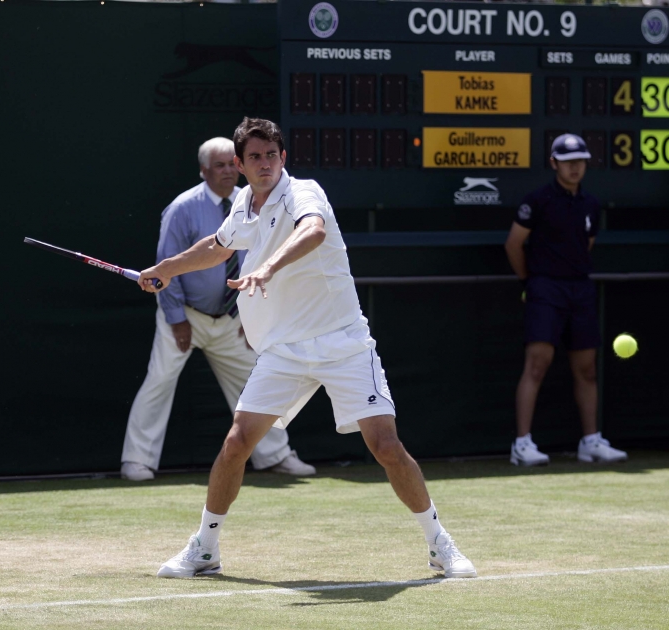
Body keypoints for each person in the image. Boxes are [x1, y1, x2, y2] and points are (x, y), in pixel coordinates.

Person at [137, 117, 476, 579]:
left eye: (271, 155)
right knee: (236, 443)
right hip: (284, 351)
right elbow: (218, 247)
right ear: (238, 164)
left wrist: (269, 267)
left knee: (386, 446)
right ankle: (205, 549)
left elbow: (313, 231)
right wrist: (168, 268)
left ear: (283, 158)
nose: (264, 164)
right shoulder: (242, 203)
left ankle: (441, 545)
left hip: (344, 344)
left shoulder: (304, 193)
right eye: (254, 157)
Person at [120, 137, 315, 482]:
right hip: (183, 317)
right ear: (204, 171)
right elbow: (167, 266)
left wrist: (248, 315)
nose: (227, 171)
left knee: (256, 384)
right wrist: (177, 319)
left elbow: (257, 260)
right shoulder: (182, 208)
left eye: (231, 164)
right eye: (219, 165)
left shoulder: (252, 204)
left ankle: (275, 455)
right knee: (158, 383)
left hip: (231, 319)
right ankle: (137, 461)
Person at [504, 133, 628, 467]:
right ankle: (522, 444)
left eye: (581, 162)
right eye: (569, 161)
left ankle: (590, 442)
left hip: (580, 290)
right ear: (554, 163)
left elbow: (586, 244)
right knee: (537, 364)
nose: (575, 168)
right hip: (545, 289)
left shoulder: (590, 203)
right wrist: (530, 281)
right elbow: (514, 244)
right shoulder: (538, 200)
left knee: (587, 369)